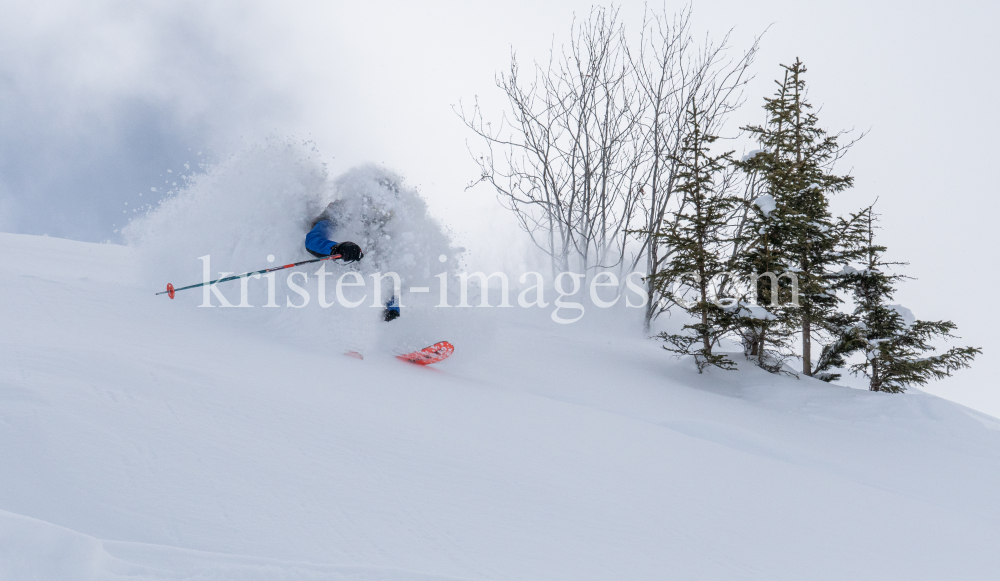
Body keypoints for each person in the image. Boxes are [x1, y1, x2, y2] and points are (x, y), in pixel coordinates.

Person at [305, 202, 400, 321]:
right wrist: (338, 248)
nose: (382, 211)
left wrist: (392, 306)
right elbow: (312, 241)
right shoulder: (343, 212)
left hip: (353, 295)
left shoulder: (382, 233)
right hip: (320, 287)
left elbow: (388, 271)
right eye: (378, 204)